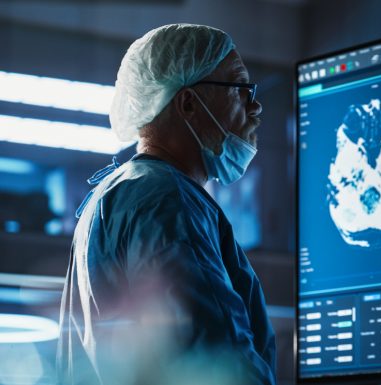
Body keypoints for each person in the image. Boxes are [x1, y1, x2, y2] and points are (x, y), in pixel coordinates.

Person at [56, 24, 275, 385]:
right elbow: (218, 363)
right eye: (240, 89)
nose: (255, 105)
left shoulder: (114, 195)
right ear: (189, 103)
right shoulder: (167, 201)